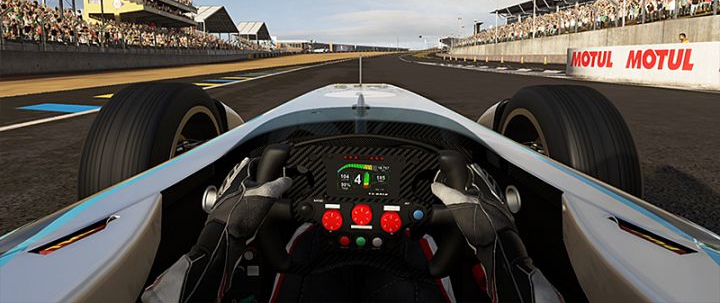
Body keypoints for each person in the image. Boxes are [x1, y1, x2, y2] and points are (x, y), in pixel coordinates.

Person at [143, 162, 562, 302]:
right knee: (427, 257)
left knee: (299, 250)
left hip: (307, 259)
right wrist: (499, 241)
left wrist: (223, 233)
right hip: (412, 260)